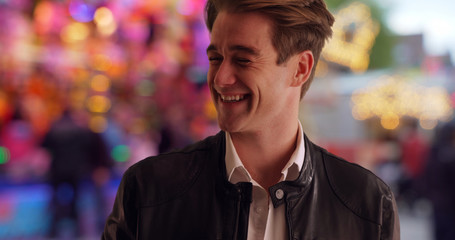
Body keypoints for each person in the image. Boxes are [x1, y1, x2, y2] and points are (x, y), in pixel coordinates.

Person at [102, 0, 400, 239]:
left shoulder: (368, 205)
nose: (220, 79)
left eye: (243, 59)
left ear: (300, 68)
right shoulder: (148, 190)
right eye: (215, 58)